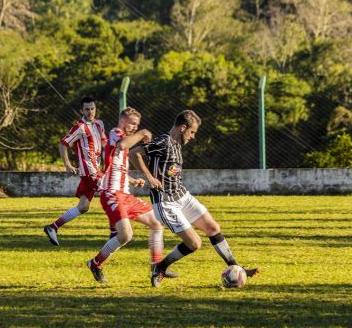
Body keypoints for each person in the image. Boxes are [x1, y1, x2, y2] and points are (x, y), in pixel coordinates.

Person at [130, 109, 259, 287]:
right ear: (183, 128)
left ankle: (236, 268)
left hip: (182, 195)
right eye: (192, 132)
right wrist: (150, 178)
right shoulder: (163, 142)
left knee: (213, 227)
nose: (193, 137)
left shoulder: (177, 144)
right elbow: (134, 153)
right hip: (166, 202)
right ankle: (160, 267)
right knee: (194, 243)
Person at [87, 107, 177, 283]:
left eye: (138, 125)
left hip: (125, 195)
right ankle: (95, 264)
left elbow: (116, 169)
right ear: (123, 121)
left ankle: (156, 266)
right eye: (133, 124)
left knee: (156, 223)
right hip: (112, 194)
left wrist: (133, 180)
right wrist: (143, 132)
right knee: (126, 235)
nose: (135, 127)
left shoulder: (124, 141)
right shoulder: (115, 133)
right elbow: (123, 144)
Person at [44, 96, 107, 246]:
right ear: (81, 110)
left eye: (92, 108)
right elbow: (63, 144)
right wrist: (67, 165)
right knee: (113, 194)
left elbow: (105, 144)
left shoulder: (99, 124)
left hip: (96, 169)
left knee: (83, 206)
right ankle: (117, 234)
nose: (90, 111)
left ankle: (53, 227)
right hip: (89, 171)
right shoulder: (79, 127)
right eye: (87, 109)